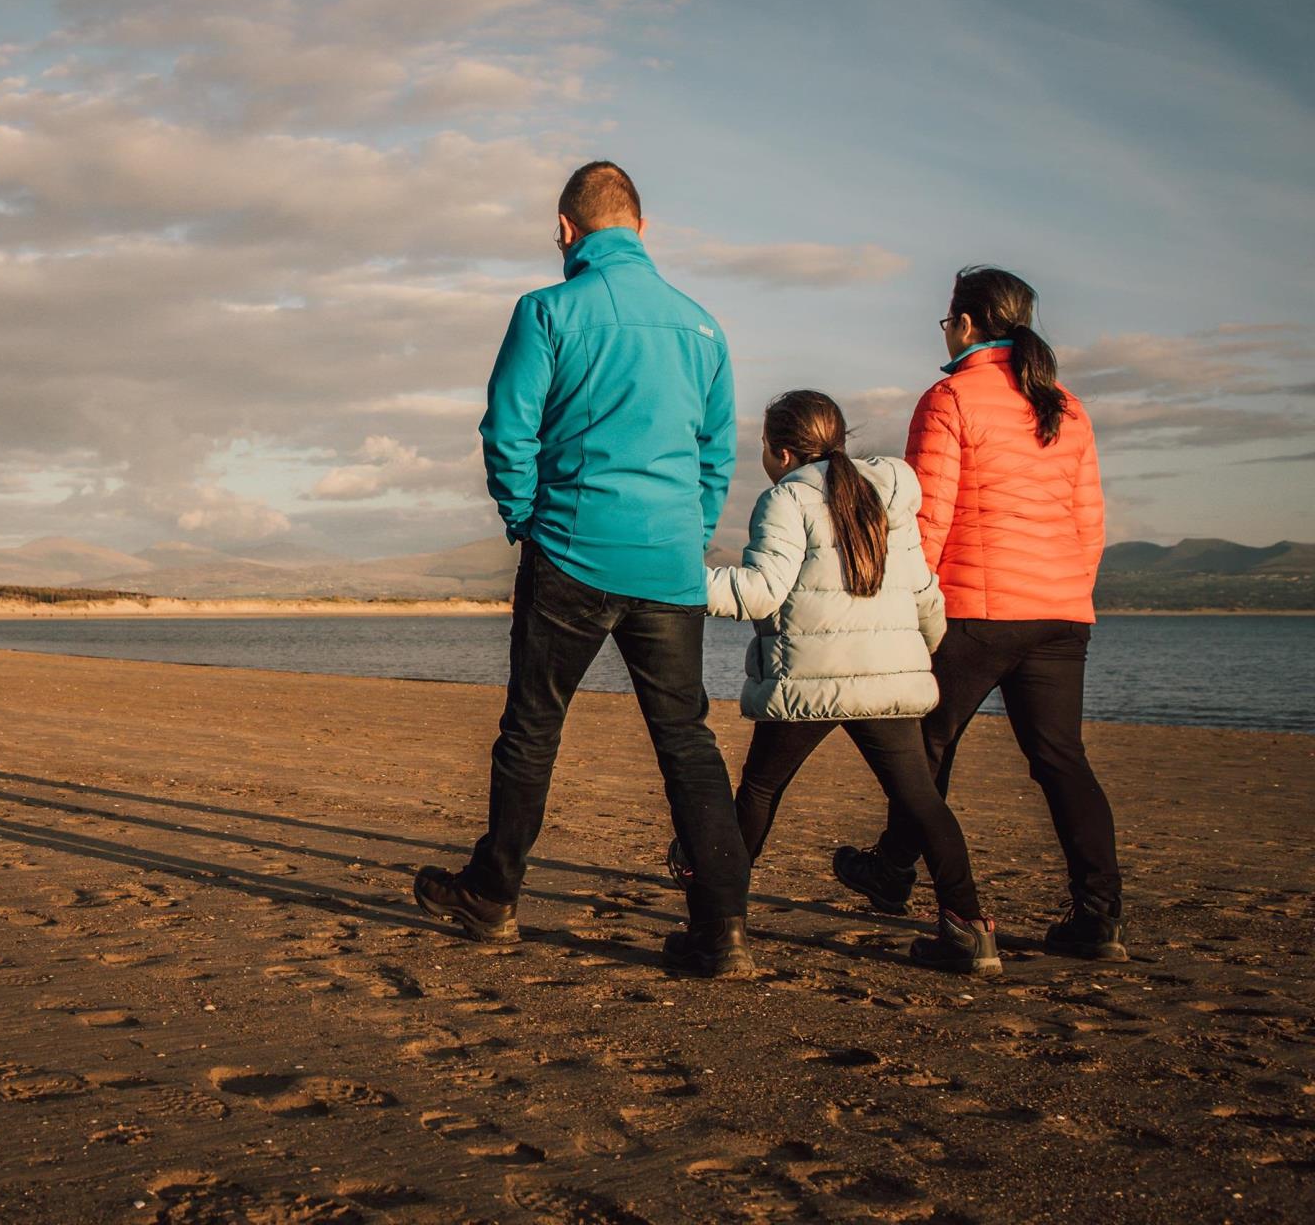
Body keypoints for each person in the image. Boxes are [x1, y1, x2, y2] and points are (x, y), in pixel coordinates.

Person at [413, 161, 755, 977]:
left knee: (533, 729)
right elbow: (717, 455)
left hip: (569, 549)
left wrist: (526, 518)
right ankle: (723, 930)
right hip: (669, 566)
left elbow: (507, 430)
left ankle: (493, 900)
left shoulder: (548, 312)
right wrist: (690, 533)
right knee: (687, 742)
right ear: (641, 229)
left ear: (566, 230)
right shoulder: (703, 327)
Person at [833, 267, 1125, 961]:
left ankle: (919, 890)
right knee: (1060, 760)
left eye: (947, 321)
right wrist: (1067, 593)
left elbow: (926, 517)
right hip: (1059, 611)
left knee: (925, 748)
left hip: (974, 609)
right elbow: (1090, 521)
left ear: (965, 324)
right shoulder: (1066, 405)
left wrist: (904, 602)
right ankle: (1100, 917)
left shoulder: (950, 397)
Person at [698, 390, 999, 974]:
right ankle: (971, 929)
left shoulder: (785, 497)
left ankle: (721, 920)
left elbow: (760, 591)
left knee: (759, 793)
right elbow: (922, 592)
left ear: (781, 452)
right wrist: (916, 654)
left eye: (762, 444)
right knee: (920, 799)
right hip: (886, 681)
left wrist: (681, 580)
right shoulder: (887, 493)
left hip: (806, 680)